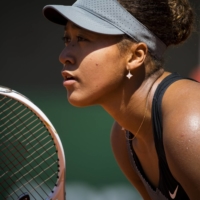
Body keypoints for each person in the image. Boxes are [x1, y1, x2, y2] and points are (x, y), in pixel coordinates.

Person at [42, 0, 200, 199]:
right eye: (67, 39)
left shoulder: (189, 125)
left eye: (82, 38)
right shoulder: (124, 137)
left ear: (135, 56)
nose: (64, 56)